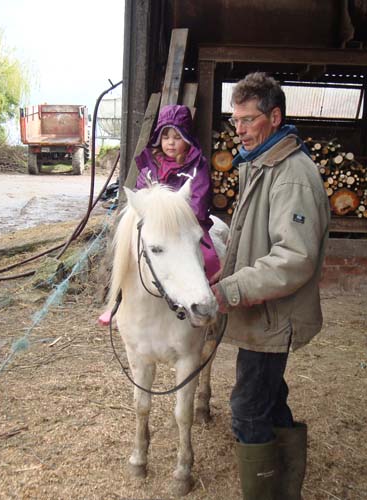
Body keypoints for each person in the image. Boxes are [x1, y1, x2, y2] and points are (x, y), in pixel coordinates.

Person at [210, 72, 330, 500]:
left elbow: (293, 259)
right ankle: (286, 489)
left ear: (274, 117)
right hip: (263, 314)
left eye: (247, 119)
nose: (238, 129)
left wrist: (231, 290)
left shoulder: (292, 176)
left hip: (272, 318)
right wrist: (223, 274)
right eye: (234, 120)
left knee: (247, 410)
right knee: (271, 400)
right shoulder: (261, 165)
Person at [98, 104, 220, 326]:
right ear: (159, 140)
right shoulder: (149, 166)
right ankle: (117, 301)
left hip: (185, 226)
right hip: (156, 227)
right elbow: (142, 194)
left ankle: (207, 300)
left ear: (187, 139)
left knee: (210, 258)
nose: (171, 142)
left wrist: (175, 214)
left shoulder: (196, 167)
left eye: (177, 136)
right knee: (122, 252)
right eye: (166, 137)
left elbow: (199, 202)